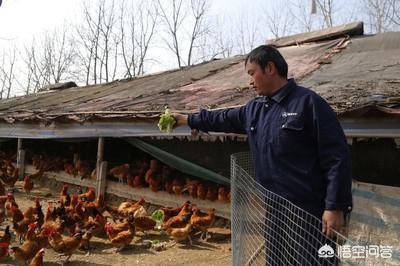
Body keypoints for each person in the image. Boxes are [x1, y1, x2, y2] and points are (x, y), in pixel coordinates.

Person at [173, 45, 352, 264]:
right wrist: (186, 119)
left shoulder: (308, 103)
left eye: (251, 73)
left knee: (313, 261)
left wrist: (334, 206)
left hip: (309, 211)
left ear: (269, 68)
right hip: (274, 210)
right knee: (276, 261)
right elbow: (221, 118)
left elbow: (336, 156)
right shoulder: (254, 109)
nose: (250, 81)